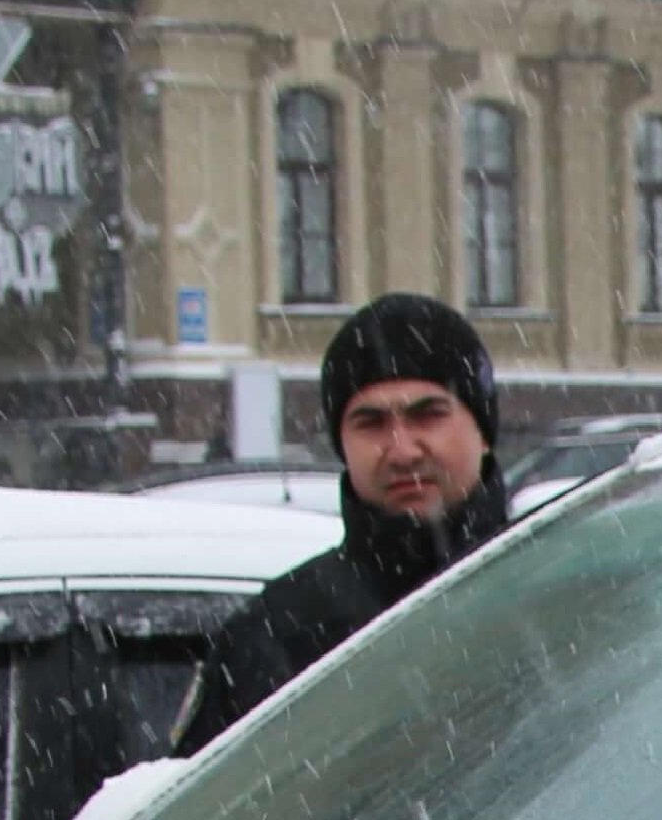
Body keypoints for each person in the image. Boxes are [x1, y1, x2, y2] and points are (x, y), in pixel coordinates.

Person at [178, 294, 514, 752]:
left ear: (484, 431)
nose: (402, 450)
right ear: (342, 443)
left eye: (428, 415)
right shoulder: (275, 634)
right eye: (371, 423)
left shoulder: (567, 593)